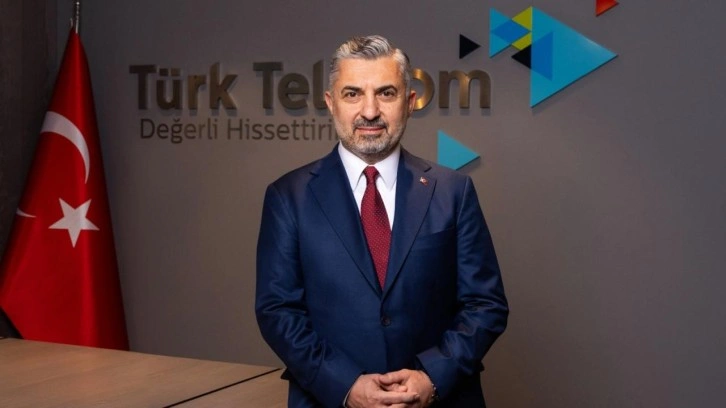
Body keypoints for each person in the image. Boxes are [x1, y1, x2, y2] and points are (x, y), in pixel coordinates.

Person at [255, 35, 508, 407]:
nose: (370, 111)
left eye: (386, 93)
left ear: (409, 102)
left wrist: (432, 377)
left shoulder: (454, 191)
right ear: (331, 103)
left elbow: (485, 304)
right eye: (353, 94)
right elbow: (278, 311)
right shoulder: (287, 197)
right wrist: (345, 386)